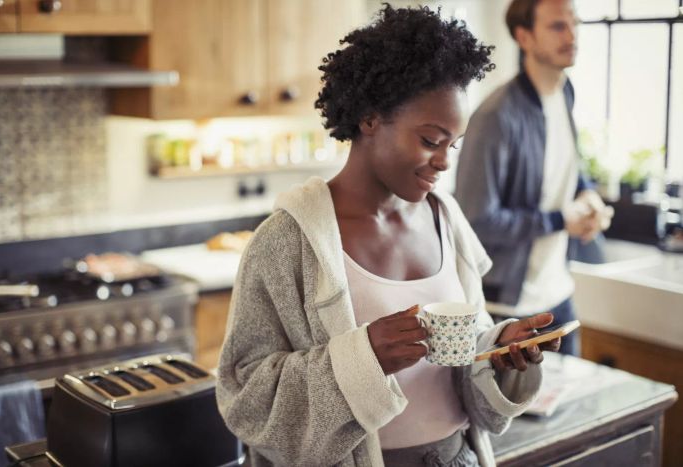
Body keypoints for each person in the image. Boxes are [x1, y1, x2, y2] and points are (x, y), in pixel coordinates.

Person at [216, 5, 559, 467]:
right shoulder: (286, 242)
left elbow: (456, 352)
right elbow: (245, 396)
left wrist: (496, 351)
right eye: (430, 140)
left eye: (452, 145)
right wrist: (364, 358)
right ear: (370, 119)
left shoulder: (447, 219)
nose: (444, 161)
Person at [454, 0, 612, 356]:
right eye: (557, 26)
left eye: (575, 23)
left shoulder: (565, 92)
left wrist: (587, 196)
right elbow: (476, 222)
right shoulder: (495, 116)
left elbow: (565, 169)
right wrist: (560, 220)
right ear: (524, 36)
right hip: (509, 310)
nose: (572, 35)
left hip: (560, 295)